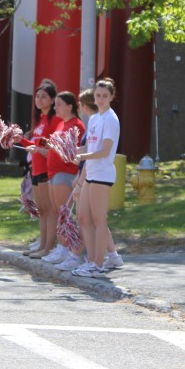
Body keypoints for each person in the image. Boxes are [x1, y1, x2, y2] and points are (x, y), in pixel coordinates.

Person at [71, 78, 121, 277]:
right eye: (98, 95)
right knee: (84, 217)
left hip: (102, 174)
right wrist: (71, 150)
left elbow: (105, 150)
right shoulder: (94, 119)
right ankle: (91, 261)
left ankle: (97, 265)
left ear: (111, 97)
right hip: (91, 173)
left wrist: (82, 156)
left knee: (99, 220)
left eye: (105, 96)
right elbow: (90, 146)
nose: (100, 99)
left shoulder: (110, 119)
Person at [40, 91, 86, 263]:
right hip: (53, 172)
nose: (55, 107)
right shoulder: (61, 124)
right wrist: (44, 147)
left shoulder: (77, 125)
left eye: (59, 104)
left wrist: (54, 147)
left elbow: (74, 153)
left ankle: (67, 249)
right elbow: (58, 147)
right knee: (58, 212)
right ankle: (61, 247)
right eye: (55, 104)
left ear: (70, 106)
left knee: (64, 212)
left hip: (66, 173)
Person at [21, 81, 58, 258]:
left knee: (49, 210)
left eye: (44, 97)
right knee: (41, 210)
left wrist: (42, 150)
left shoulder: (54, 119)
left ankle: (49, 247)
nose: (39, 100)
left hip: (47, 169)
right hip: (35, 169)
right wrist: (19, 139)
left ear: (52, 100)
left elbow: (53, 145)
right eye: (37, 96)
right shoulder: (40, 120)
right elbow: (35, 144)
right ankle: (42, 245)